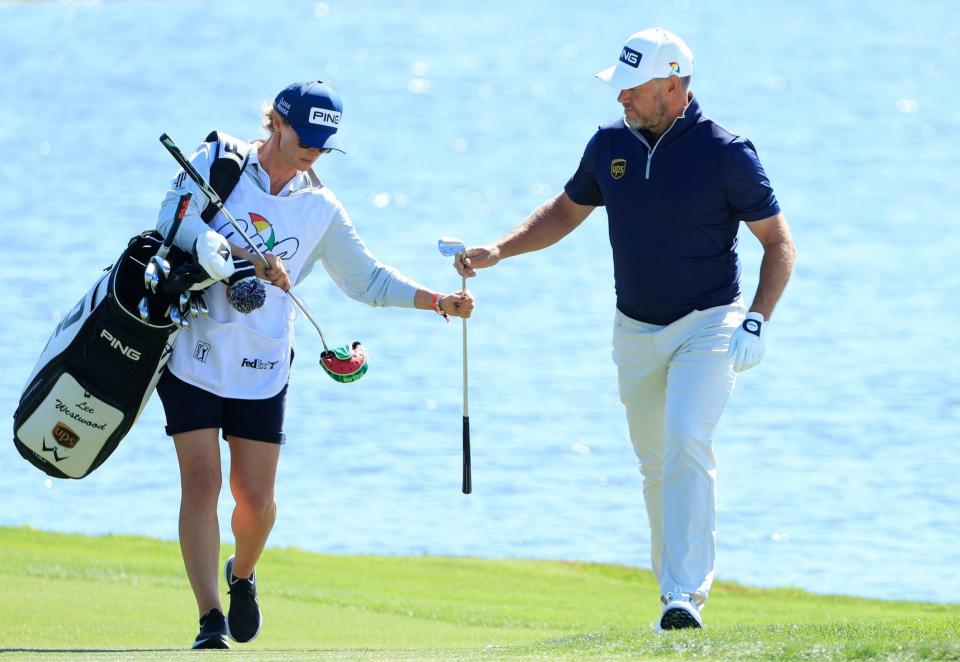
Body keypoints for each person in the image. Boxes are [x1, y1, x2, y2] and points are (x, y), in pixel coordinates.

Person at [455, 29, 795, 630]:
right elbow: (565, 211)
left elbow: (778, 242)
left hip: (710, 322)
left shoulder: (726, 152)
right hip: (634, 328)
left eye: (630, 89)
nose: (620, 100)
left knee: (688, 439)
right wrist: (500, 250)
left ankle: (686, 596)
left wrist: (757, 320)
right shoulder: (610, 143)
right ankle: (672, 594)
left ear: (672, 85)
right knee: (655, 463)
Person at [154, 80, 474, 649]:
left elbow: (367, 279)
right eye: (307, 137)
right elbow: (172, 220)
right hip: (195, 351)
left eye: (326, 144)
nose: (314, 151)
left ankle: (243, 575)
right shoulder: (218, 161)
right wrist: (240, 258)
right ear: (276, 120)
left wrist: (436, 301)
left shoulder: (320, 207)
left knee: (256, 502)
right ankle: (209, 620)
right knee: (202, 483)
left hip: (263, 364)